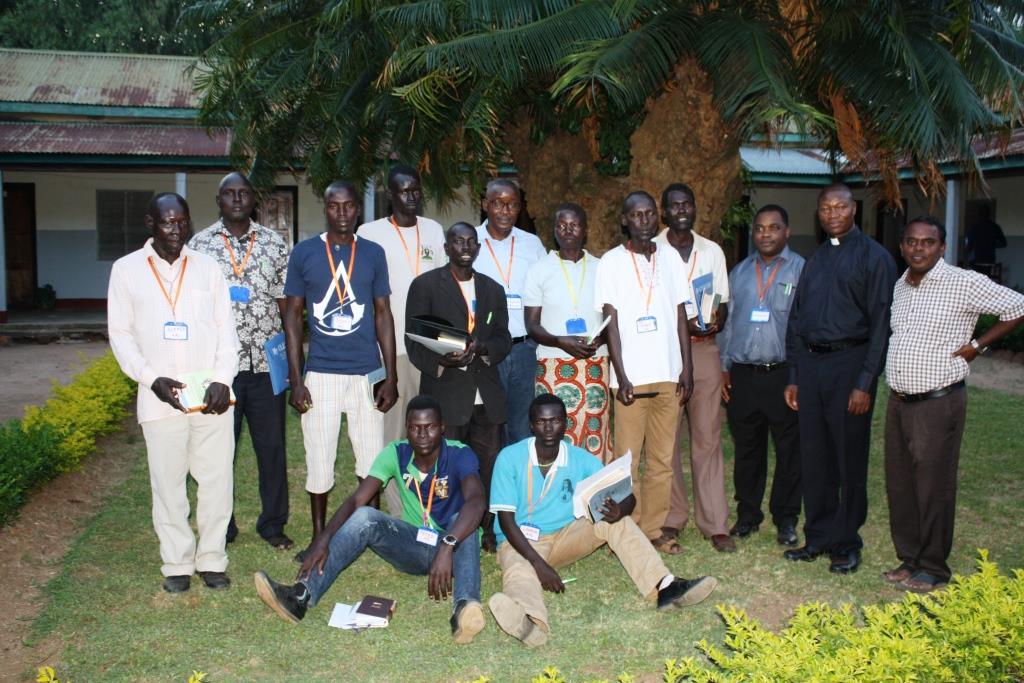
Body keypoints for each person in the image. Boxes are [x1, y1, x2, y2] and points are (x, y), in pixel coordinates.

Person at [487, 394, 717, 648]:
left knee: (614, 521)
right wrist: (539, 564)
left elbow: (625, 495)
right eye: (541, 422)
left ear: (566, 424)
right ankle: (531, 623)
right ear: (531, 425)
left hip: (565, 536)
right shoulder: (509, 458)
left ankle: (664, 586)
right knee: (520, 569)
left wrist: (621, 509)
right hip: (518, 542)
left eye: (555, 421)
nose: (549, 427)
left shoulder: (580, 459)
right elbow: (506, 521)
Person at [254, 395, 487, 643]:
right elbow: (356, 500)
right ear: (406, 428)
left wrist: (448, 545)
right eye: (415, 427)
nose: (422, 434)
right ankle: (300, 596)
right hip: (415, 545)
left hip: (455, 548)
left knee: (463, 520)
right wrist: (323, 539)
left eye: (429, 427)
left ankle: (464, 609)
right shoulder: (395, 453)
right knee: (365, 516)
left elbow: (476, 501)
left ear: (442, 428)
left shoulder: (460, 454)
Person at [107, 192, 239, 592]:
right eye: (168, 223)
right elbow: (121, 335)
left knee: (217, 482)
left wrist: (222, 379)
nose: (177, 230)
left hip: (210, 400)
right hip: (159, 398)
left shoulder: (207, 268)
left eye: (182, 222)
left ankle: (212, 558)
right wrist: (151, 379)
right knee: (168, 486)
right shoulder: (126, 270)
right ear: (150, 223)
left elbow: (226, 332)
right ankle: (177, 564)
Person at [884, 216, 1024, 593]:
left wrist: (978, 346)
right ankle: (910, 558)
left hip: (937, 402)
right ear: (902, 247)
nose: (918, 248)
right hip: (898, 400)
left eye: (927, 242)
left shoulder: (963, 282)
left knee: (933, 486)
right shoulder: (902, 284)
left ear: (942, 247)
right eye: (911, 242)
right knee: (901, 486)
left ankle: (933, 568)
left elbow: (1018, 307)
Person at [783, 183, 897, 574]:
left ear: (854, 210)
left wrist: (865, 382)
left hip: (850, 366)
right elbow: (796, 320)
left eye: (840, 207)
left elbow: (882, 325)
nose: (832, 214)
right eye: (825, 208)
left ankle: (846, 542)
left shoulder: (875, 258)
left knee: (848, 458)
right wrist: (795, 374)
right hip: (812, 369)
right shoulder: (814, 259)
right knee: (813, 455)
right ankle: (817, 535)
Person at [283, 181, 398, 560]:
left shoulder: (373, 253)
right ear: (326, 209)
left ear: (357, 210)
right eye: (335, 206)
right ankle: (320, 537)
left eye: (349, 206)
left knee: (371, 459)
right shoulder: (304, 253)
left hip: (366, 373)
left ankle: (373, 535)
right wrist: (296, 380)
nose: (343, 213)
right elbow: (293, 320)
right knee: (319, 458)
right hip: (322, 373)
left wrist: (390, 375)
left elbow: (383, 314)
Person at [188, 171, 293, 550]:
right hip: (220, 371)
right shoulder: (199, 246)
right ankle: (222, 526)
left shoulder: (274, 244)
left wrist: (294, 367)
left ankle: (273, 524)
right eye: (229, 194)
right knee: (218, 453)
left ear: (254, 200)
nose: (236, 199)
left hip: (266, 367)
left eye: (243, 193)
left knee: (272, 449)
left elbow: (287, 307)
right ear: (218, 200)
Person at [406, 222, 513, 552]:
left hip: (486, 395)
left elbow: (504, 338)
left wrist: (484, 348)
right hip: (447, 393)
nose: (465, 247)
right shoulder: (425, 285)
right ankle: (446, 528)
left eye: (471, 242)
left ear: (478, 249)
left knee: (488, 466)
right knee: (447, 468)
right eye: (458, 241)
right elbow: (414, 340)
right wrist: (443, 363)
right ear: (447, 247)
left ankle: (487, 530)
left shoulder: (493, 289)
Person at [595, 191, 694, 547]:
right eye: (636, 215)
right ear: (625, 220)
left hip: (668, 375)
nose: (645, 220)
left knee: (662, 461)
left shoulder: (671, 259)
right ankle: (627, 531)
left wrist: (687, 368)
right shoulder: (610, 262)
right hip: (630, 380)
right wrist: (620, 375)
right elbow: (611, 322)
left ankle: (653, 529)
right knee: (627, 461)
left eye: (650, 214)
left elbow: (681, 315)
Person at [718, 205, 804, 547]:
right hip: (743, 375)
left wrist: (799, 376)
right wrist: (725, 367)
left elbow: (805, 328)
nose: (765, 234)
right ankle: (748, 515)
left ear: (787, 232)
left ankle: (786, 519)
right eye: (759, 228)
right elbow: (727, 324)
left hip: (783, 375)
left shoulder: (801, 271)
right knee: (748, 450)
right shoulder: (739, 273)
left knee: (788, 451)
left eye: (774, 228)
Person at [654, 183, 733, 554]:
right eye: (674, 205)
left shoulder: (712, 251)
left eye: (688, 203)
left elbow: (723, 304)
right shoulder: (651, 250)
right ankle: (671, 518)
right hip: (665, 354)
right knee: (666, 441)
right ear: (664, 212)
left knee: (707, 437)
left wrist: (715, 320)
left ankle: (715, 523)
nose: (682, 209)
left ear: (695, 208)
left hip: (703, 350)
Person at [357, 164, 447, 447]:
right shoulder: (369, 233)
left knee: (429, 428)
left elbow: (446, 286)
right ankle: (391, 489)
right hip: (390, 348)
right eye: (404, 191)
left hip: (430, 345)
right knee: (393, 429)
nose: (412, 197)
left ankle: (423, 489)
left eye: (416, 191)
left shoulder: (433, 230)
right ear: (390, 195)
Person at [524, 202, 610, 460]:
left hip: (594, 362)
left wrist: (598, 339)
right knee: (556, 432)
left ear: (585, 230)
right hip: (553, 364)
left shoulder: (601, 268)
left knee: (595, 429)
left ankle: (594, 494)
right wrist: (560, 341)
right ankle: (557, 492)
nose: (567, 230)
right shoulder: (539, 269)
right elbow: (532, 325)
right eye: (561, 225)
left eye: (574, 225)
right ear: (554, 231)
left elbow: (611, 319)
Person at [474, 179, 547, 444]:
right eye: (498, 203)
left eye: (512, 204)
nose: (505, 210)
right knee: (490, 425)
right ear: (485, 205)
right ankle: (492, 483)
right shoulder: (469, 241)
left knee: (521, 426)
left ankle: (520, 483)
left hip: (525, 349)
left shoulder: (532, 245)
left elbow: (545, 293)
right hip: (487, 350)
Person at [964, 205, 1007, 278]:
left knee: (976, 279)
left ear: (979, 214)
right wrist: (992, 245)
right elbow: (1004, 243)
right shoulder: (995, 227)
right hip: (990, 260)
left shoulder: (974, 227)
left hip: (976, 261)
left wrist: (967, 258)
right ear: (989, 214)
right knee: (987, 279)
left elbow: (968, 246)